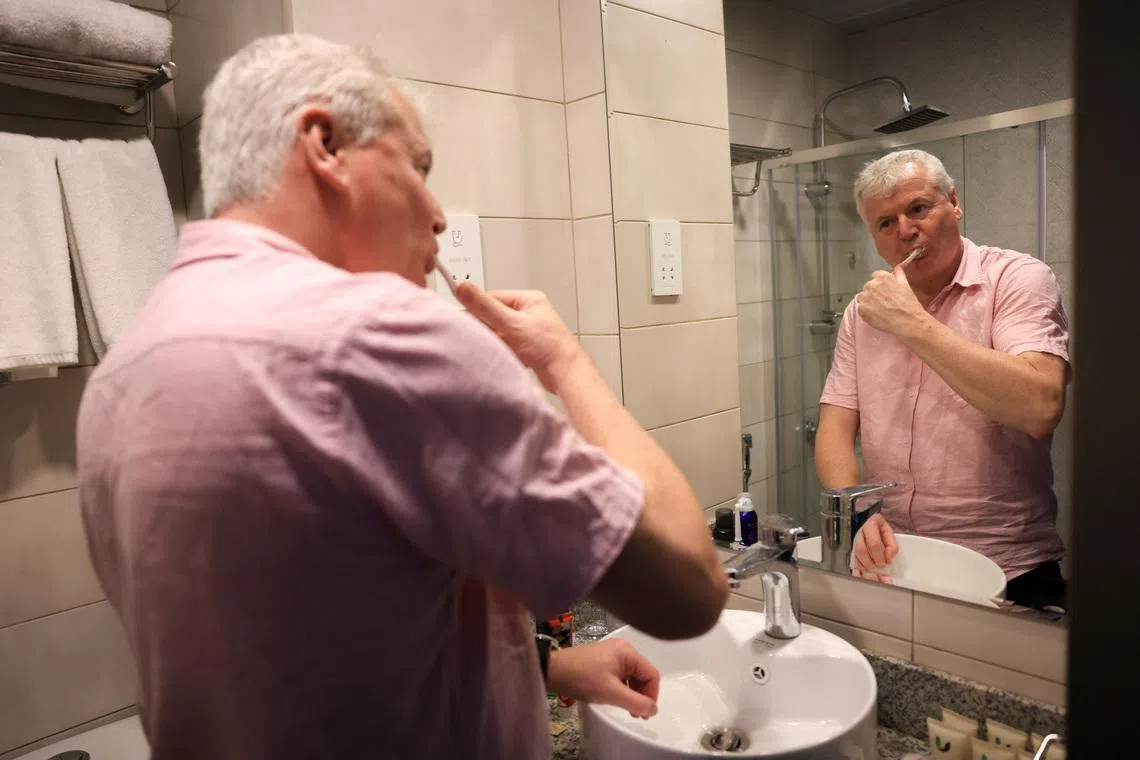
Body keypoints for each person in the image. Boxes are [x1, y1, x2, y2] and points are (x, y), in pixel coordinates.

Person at [76, 34, 728, 760]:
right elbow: (690, 590)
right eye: (418, 166)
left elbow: (302, 634)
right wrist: (568, 364)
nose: (439, 214)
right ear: (323, 144)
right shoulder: (381, 336)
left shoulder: (122, 374)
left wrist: (553, 665)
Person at [815, 149, 1070, 610]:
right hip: (897, 560)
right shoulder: (863, 311)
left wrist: (911, 322)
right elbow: (834, 423)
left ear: (954, 201)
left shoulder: (1017, 279)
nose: (905, 231)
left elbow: (1040, 407)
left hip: (1009, 565)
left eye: (918, 208)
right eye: (885, 223)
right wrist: (855, 510)